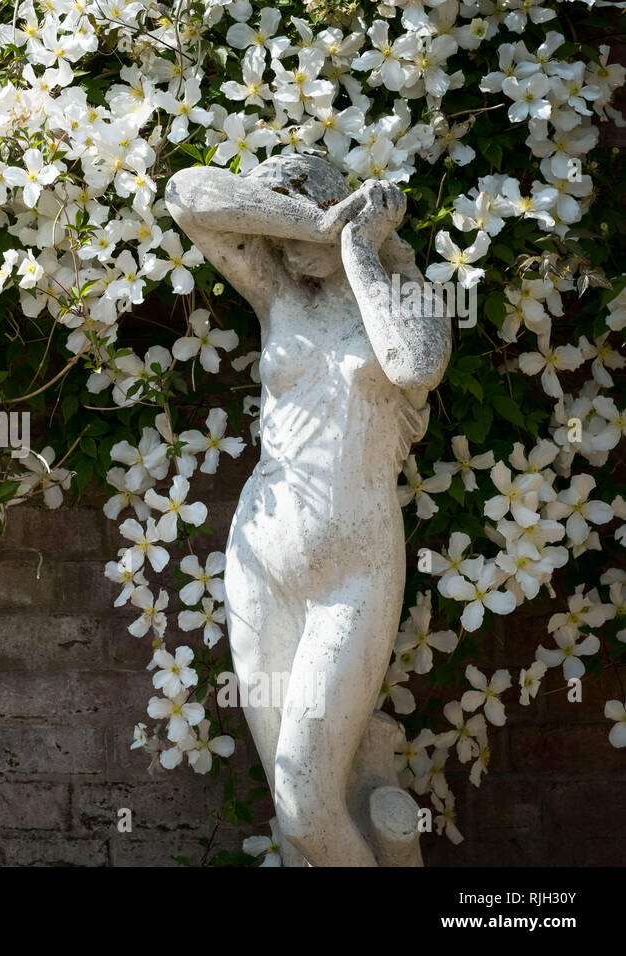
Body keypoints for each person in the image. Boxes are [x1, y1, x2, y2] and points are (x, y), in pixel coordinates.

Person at [165, 154, 451, 865]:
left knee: (304, 806)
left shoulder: (408, 298)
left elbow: (412, 366)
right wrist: (312, 222)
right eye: (273, 225)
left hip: (355, 570)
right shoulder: (275, 296)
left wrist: (356, 247)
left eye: (299, 224)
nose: (284, 250)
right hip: (262, 564)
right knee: (293, 824)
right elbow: (186, 195)